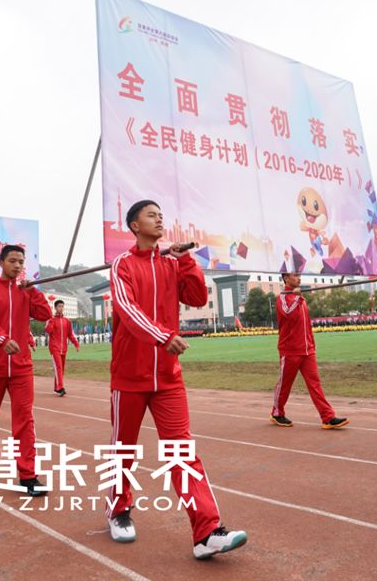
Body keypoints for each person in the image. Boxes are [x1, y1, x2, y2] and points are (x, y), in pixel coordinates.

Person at [105, 200, 247, 559]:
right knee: (124, 450)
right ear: (134, 225)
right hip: (130, 376)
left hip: (168, 377)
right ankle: (118, 509)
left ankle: (206, 532)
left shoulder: (171, 263)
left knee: (182, 451)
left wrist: (185, 260)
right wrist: (162, 336)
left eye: (161, 214)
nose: (159, 218)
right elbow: (126, 309)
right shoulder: (122, 265)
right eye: (151, 215)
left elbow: (198, 297)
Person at [0, 245, 52, 497]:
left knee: (24, 420)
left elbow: (45, 313)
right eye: (12, 261)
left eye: (21, 262)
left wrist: (33, 291)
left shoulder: (25, 292)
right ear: (1, 262)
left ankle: (28, 475)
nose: (17, 266)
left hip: (21, 367)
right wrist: (3, 340)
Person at [270, 272, 348, 429]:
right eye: (295, 275)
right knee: (285, 384)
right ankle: (277, 413)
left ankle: (327, 417)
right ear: (286, 278)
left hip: (307, 351)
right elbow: (289, 315)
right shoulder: (282, 298)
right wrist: (297, 298)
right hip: (290, 351)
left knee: (315, 384)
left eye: (299, 275)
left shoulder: (300, 299)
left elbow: (305, 325)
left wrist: (311, 344)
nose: (299, 278)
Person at [44, 300, 79, 396]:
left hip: (64, 349)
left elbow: (70, 335)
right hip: (54, 348)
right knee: (58, 367)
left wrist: (76, 344)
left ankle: (56, 387)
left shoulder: (67, 321)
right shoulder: (51, 319)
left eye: (62, 306)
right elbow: (48, 331)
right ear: (55, 308)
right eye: (59, 306)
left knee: (61, 369)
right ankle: (60, 388)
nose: (61, 308)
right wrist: (50, 321)